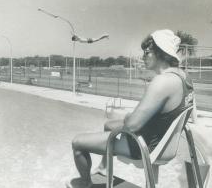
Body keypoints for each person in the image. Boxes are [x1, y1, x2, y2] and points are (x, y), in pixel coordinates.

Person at [66, 29, 194, 188]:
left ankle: (85, 184)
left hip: (145, 146)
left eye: (147, 52)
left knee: (77, 143)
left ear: (160, 53)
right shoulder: (183, 77)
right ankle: (104, 168)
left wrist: (129, 116)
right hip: (165, 143)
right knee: (109, 125)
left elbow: (132, 125)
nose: (143, 57)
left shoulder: (162, 82)